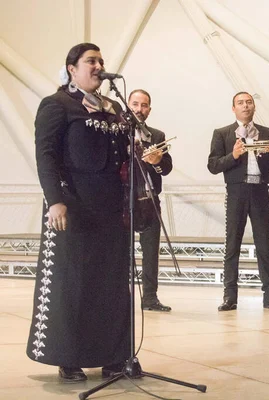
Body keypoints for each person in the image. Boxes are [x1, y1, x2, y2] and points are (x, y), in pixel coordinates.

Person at [26, 43, 130, 382]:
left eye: (101, 60)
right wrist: (55, 199)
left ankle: (114, 356)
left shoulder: (113, 107)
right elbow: (45, 156)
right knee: (72, 284)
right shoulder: (57, 105)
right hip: (73, 207)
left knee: (111, 284)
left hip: (111, 210)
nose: (99, 66)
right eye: (91, 61)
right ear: (72, 68)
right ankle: (68, 356)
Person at [207, 92, 269, 311]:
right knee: (232, 244)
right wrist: (233, 155)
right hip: (236, 192)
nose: (245, 106)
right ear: (233, 108)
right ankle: (230, 296)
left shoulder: (267, 132)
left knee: (265, 244)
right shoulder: (222, 133)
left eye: (249, 102)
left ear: (254, 107)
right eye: (240, 103)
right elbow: (213, 165)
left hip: (261, 191)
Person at [127, 89, 173, 312]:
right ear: (128, 105)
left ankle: (150, 298)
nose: (139, 109)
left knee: (151, 253)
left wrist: (156, 161)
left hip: (150, 200)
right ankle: (119, 299)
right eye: (135, 104)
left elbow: (166, 169)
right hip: (124, 201)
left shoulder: (156, 135)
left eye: (144, 105)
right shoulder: (118, 132)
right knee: (120, 252)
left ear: (149, 110)